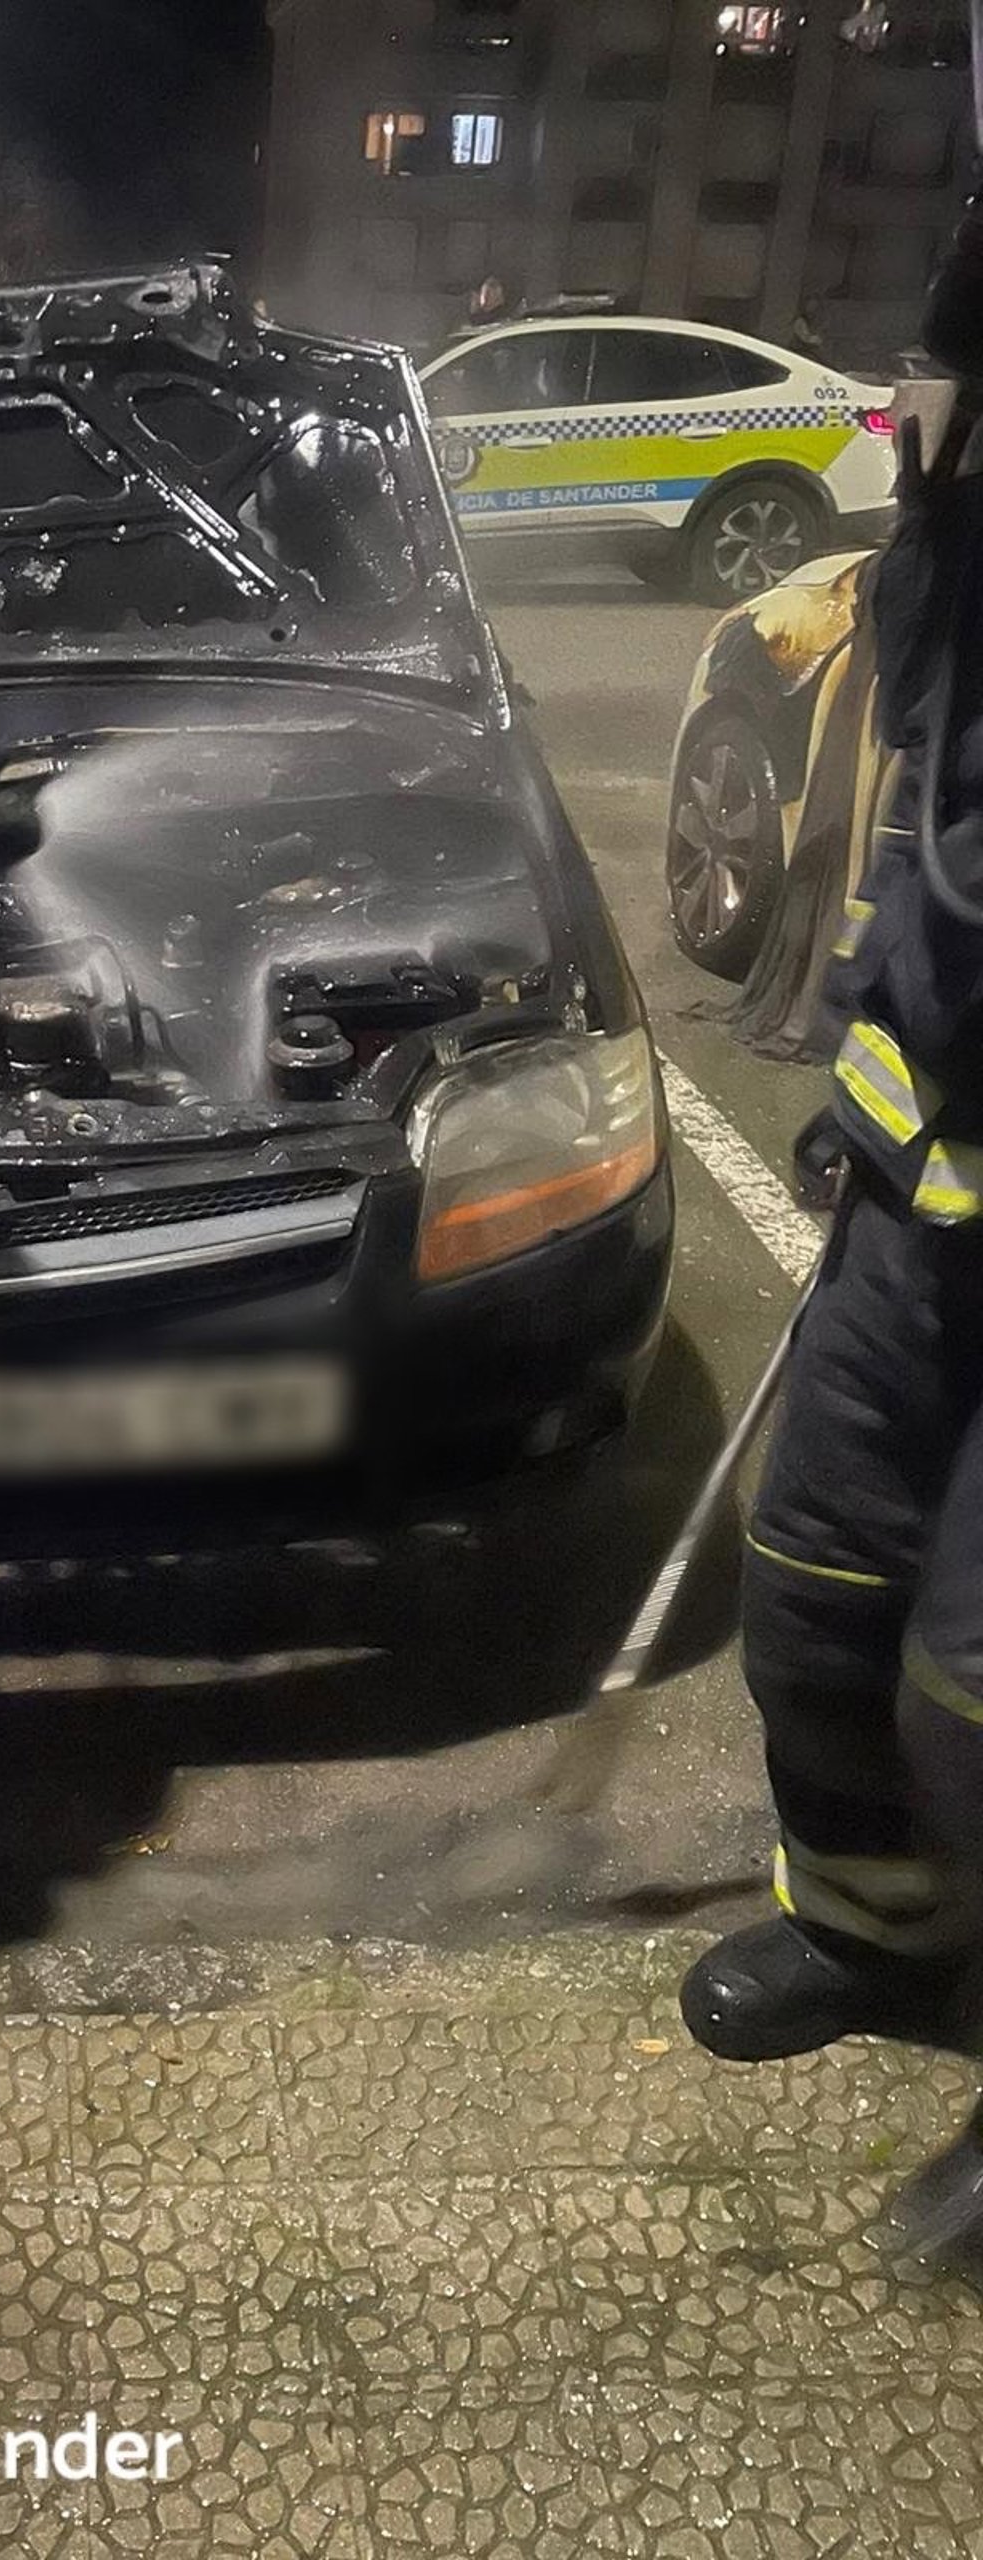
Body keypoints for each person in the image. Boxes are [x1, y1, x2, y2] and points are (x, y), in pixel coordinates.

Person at [679, 196, 983, 2071]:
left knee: (970, 1695)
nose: (905, 409)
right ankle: (869, 1934)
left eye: (929, 382)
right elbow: (924, 870)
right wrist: (865, 1091)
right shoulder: (947, 572)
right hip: (924, 1209)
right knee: (816, 1593)